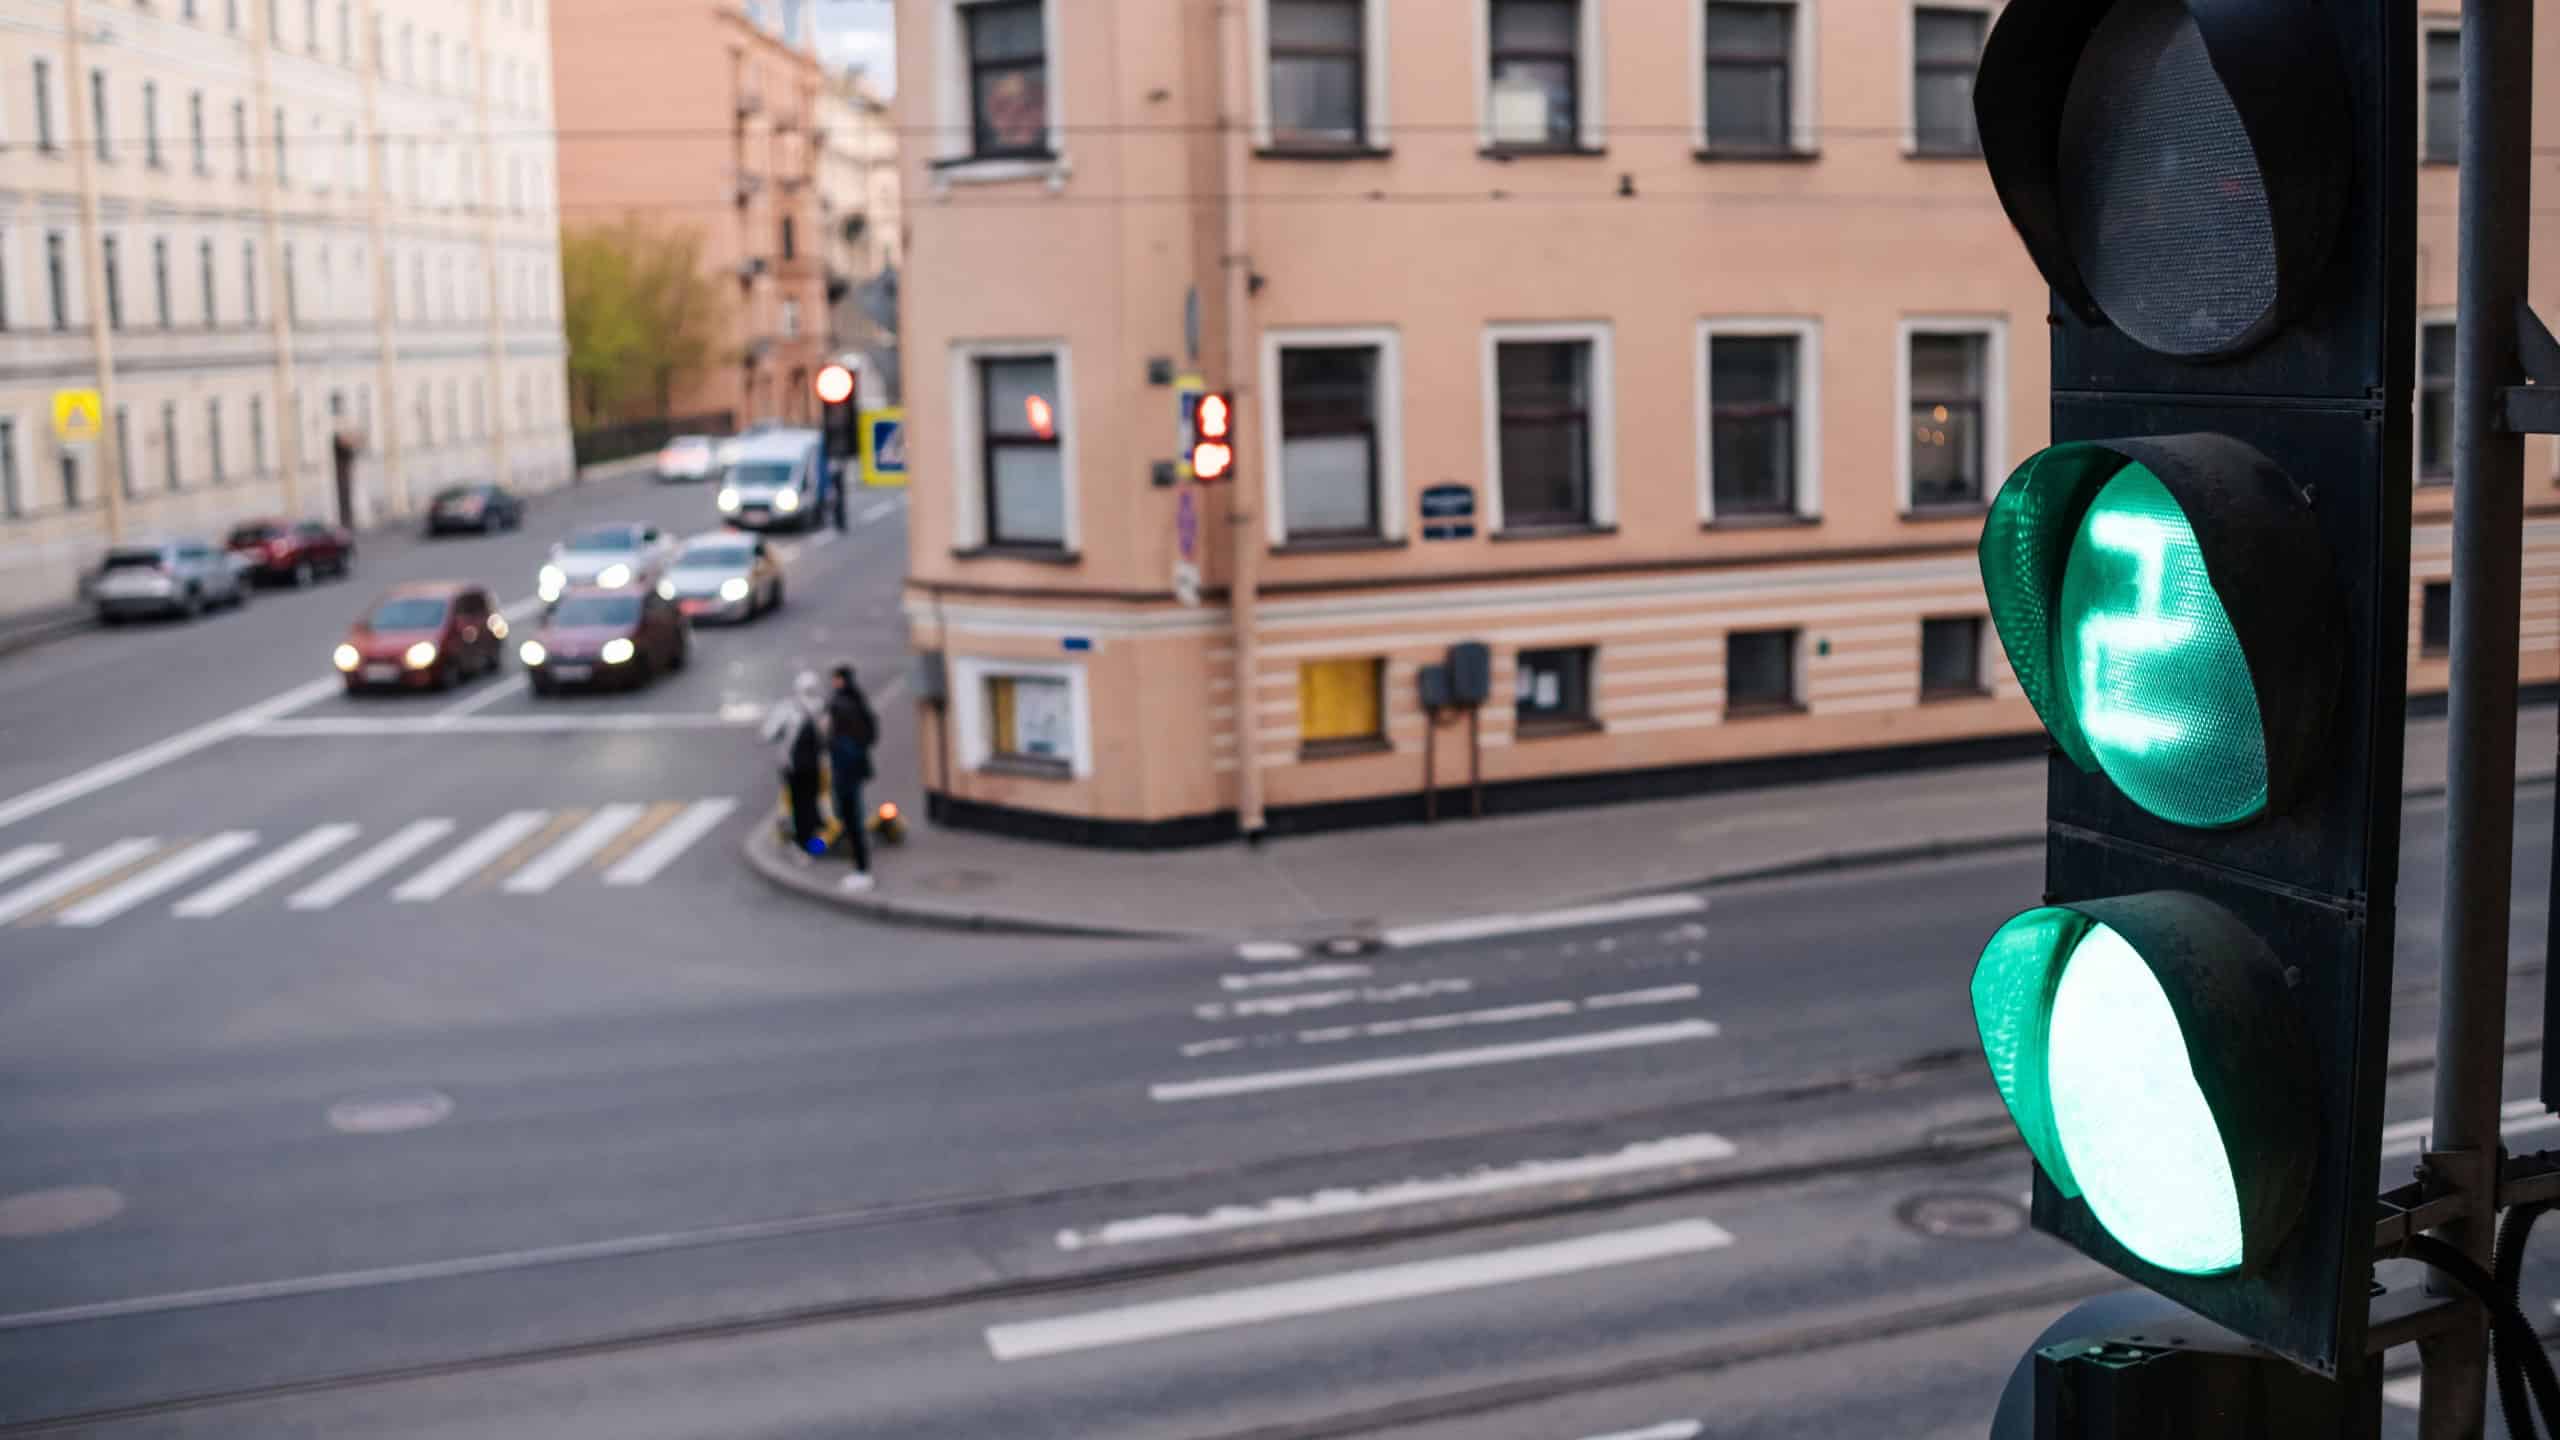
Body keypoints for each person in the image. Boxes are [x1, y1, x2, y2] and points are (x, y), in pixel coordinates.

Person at [762, 670, 828, 861]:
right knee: (814, 802)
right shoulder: (821, 707)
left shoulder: (787, 708)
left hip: (792, 767)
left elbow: (767, 734)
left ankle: (801, 846)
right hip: (816, 765)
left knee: (798, 806)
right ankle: (816, 844)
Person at [827, 664, 878, 891]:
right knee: (853, 816)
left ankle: (861, 870)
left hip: (845, 772)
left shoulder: (840, 706)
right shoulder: (857, 700)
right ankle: (860, 868)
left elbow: (836, 741)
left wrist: (832, 743)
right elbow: (871, 733)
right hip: (855, 770)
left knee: (851, 819)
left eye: (836, 679)